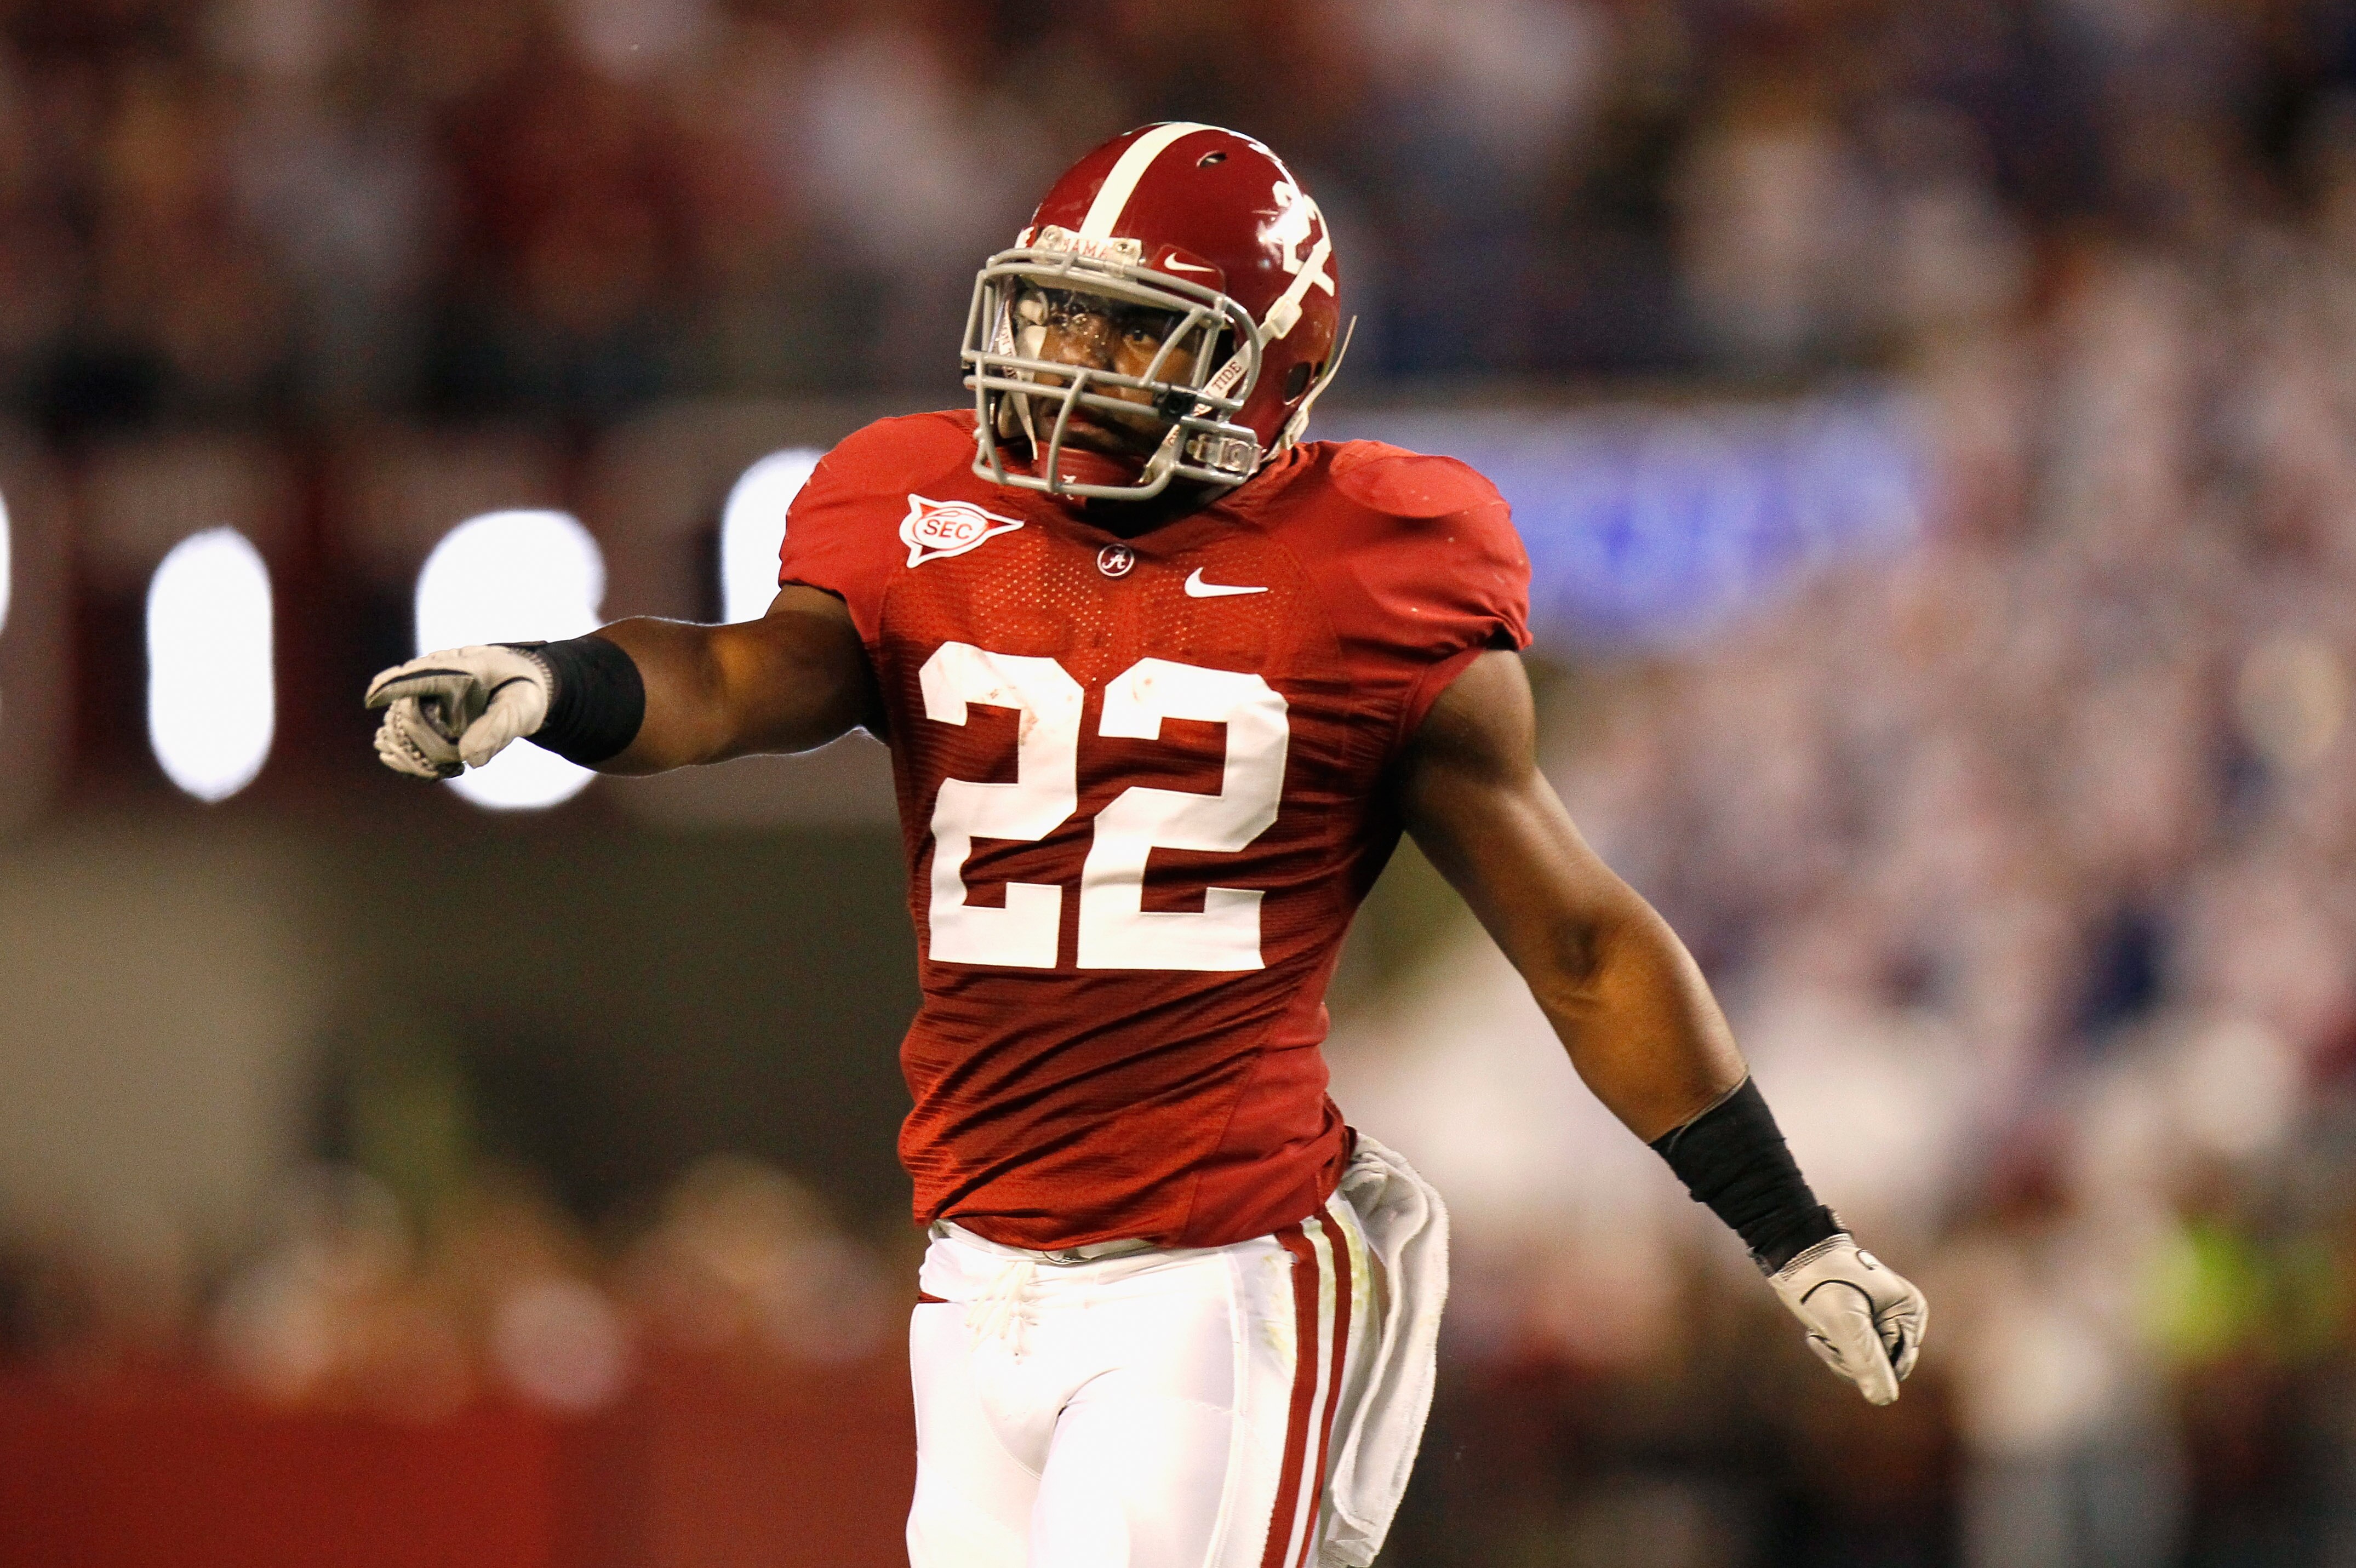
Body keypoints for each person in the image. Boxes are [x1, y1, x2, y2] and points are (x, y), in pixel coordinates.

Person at [366, 123, 1926, 1568]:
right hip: (974, 1268)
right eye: (1055, 315)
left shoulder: (1377, 565)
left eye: (1130, 329)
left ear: (1278, 364)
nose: (1066, 362)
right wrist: (545, 683)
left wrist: (1788, 1234)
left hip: (1217, 1268)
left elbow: (1576, 939)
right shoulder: (911, 503)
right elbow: (732, 677)